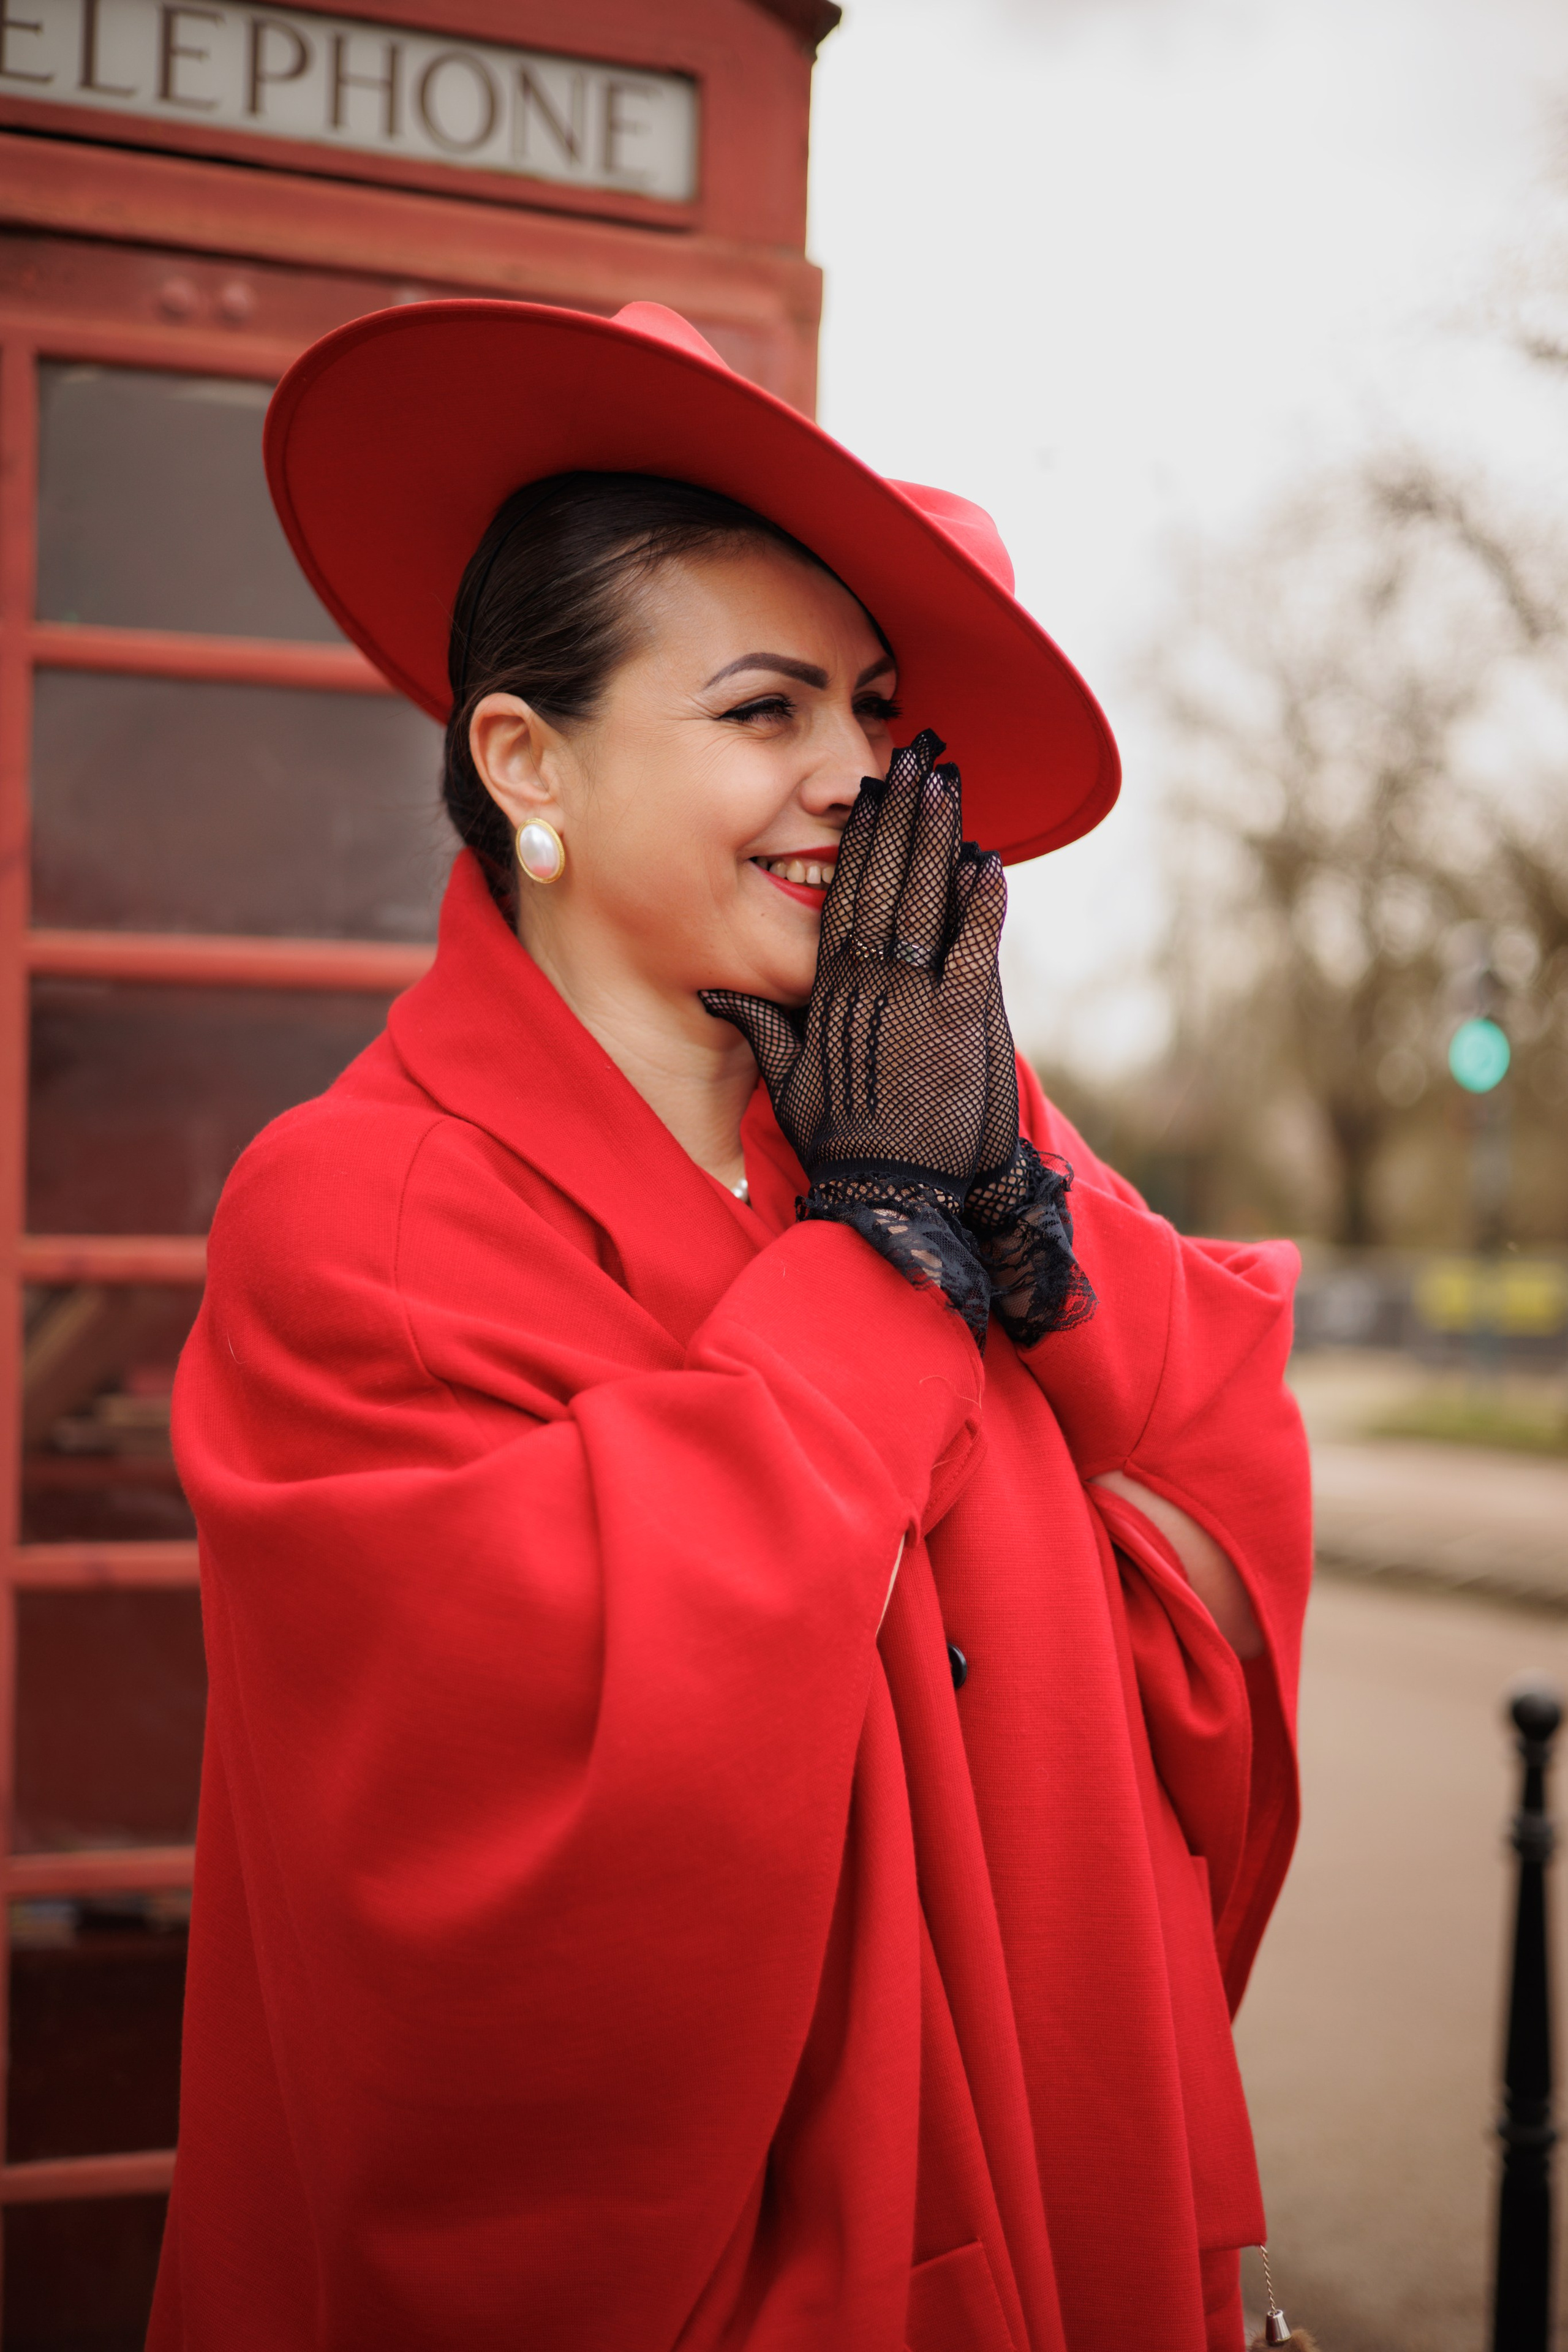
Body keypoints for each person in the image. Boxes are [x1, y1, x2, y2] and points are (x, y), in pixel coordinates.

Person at [148, 300, 1312, 2352]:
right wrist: (876, 1266)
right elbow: (531, 1890)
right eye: (766, 711)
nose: (859, 773)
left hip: (1056, 2206)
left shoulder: (923, 1117)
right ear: (529, 761)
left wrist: (1019, 1222)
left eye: (871, 709)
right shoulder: (355, 1214)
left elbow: (1219, 1520)